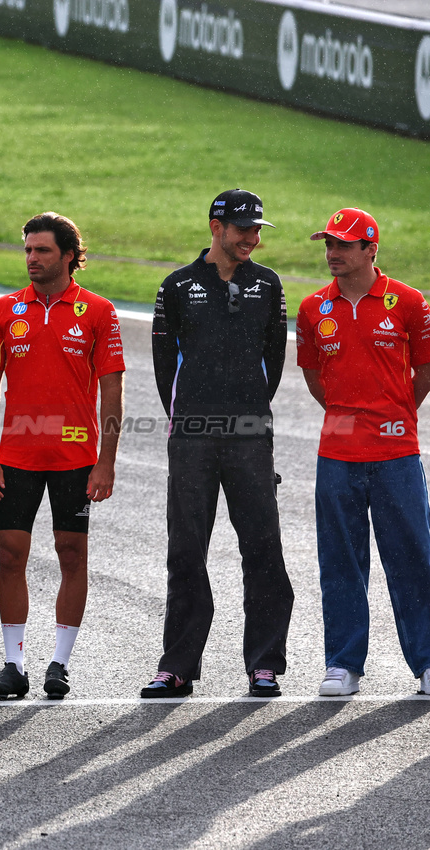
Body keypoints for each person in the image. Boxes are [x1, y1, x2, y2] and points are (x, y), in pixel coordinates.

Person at [144, 189, 293, 699]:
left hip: (251, 436)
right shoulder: (178, 286)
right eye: (242, 229)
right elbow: (165, 367)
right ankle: (178, 666)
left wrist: (247, 409)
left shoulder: (269, 285)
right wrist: (190, 417)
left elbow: (273, 358)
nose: (252, 238)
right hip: (191, 436)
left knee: (263, 549)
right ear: (216, 227)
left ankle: (265, 664)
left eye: (257, 229)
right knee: (186, 551)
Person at [0, 213, 125, 700]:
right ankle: (13, 665)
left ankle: (59, 664)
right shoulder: (4, 310)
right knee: (10, 555)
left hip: (76, 457)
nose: (31, 259)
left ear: (68, 255)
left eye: (41, 250)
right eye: (27, 250)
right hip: (15, 455)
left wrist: (106, 460)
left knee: (72, 555)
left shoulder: (99, 311)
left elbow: (112, 390)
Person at [296, 208, 430, 698]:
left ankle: (428, 662)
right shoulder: (312, 308)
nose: (332, 253)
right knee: (340, 559)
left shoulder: (410, 302)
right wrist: (349, 417)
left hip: (396, 451)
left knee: (413, 556)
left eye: (343, 245)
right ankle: (343, 664)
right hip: (337, 453)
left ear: (370, 249)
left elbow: (425, 369)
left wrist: (393, 412)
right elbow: (314, 377)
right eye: (328, 244)